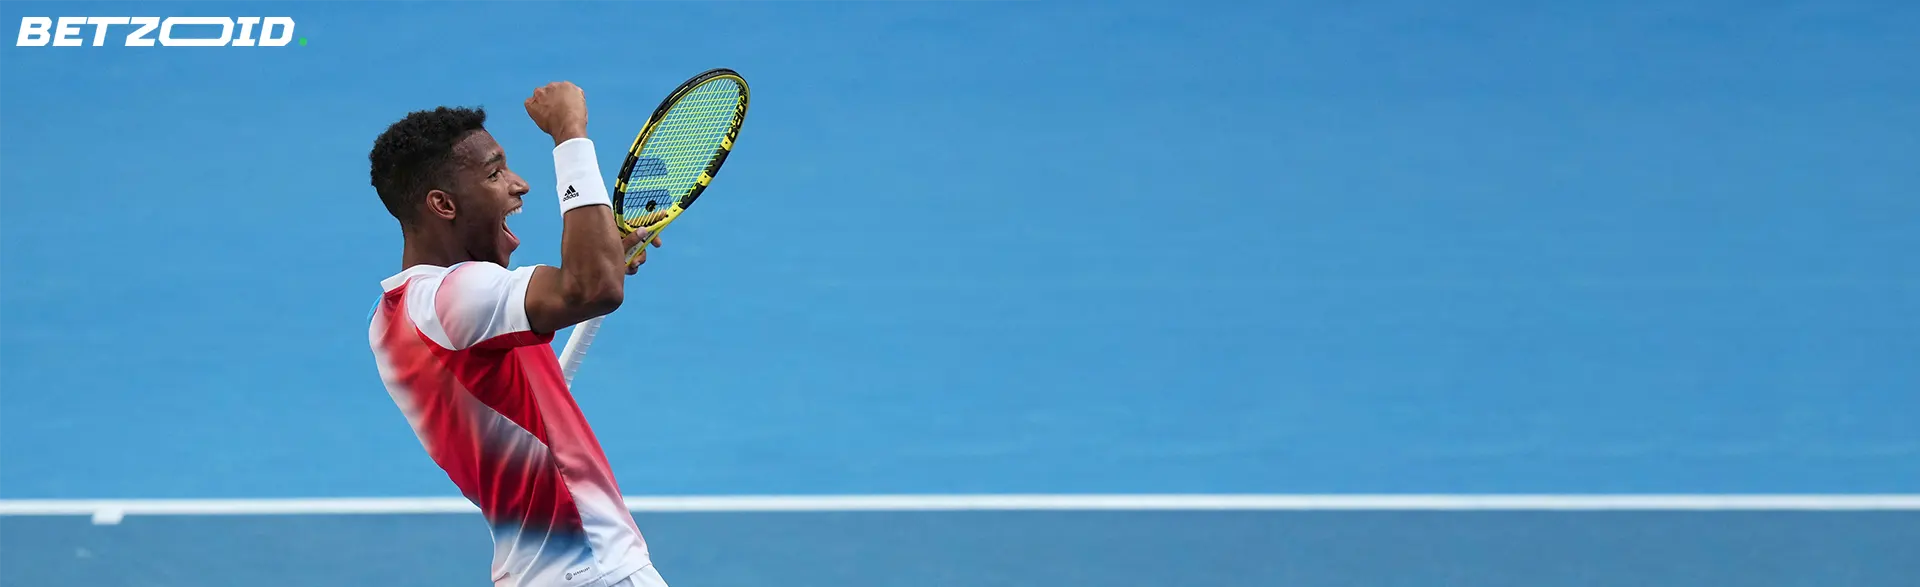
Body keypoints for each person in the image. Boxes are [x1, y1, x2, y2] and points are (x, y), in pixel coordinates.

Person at [365, 81, 668, 587]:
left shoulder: (392, 318)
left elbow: (584, 284)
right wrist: (570, 134)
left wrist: (602, 257)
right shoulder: (455, 299)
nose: (518, 184)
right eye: (495, 173)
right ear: (443, 204)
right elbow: (592, 288)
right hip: (594, 570)